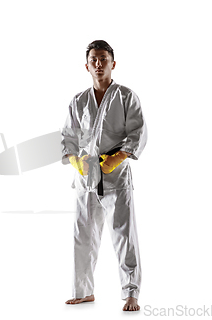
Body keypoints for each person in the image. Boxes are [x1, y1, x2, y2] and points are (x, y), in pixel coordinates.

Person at [61, 40, 147, 312]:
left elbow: (137, 132)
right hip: (86, 178)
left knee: (124, 235)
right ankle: (83, 291)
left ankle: (131, 292)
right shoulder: (78, 100)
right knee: (82, 234)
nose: (99, 64)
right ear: (87, 66)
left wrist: (118, 157)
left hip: (115, 176)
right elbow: (68, 137)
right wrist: (76, 161)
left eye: (103, 59)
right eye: (94, 60)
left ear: (113, 63)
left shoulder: (126, 97)